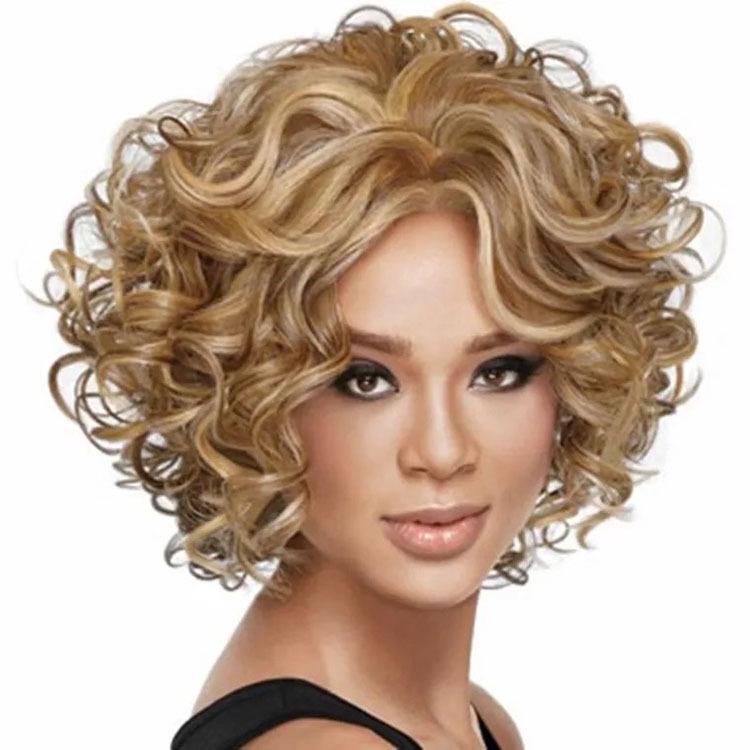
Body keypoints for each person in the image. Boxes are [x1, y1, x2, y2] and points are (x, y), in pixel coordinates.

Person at [29, 3, 723, 748]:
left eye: (498, 371)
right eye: (365, 379)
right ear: (249, 395)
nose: (442, 450)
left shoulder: (472, 721)